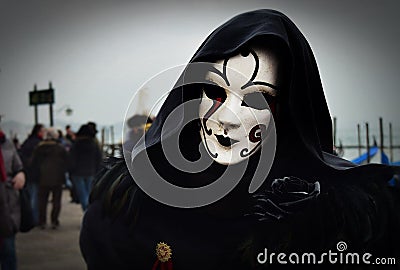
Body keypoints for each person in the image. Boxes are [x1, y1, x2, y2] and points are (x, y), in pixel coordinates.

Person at [80, 10, 400, 270]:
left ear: (286, 112)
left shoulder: (335, 214)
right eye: (215, 92)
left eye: (258, 98)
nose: (227, 117)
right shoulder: (132, 203)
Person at [31, 128, 68, 229]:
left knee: (42, 201)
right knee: (56, 201)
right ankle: (54, 221)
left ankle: (42, 221)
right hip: (58, 177)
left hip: (42, 178)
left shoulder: (39, 148)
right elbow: (66, 162)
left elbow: (33, 163)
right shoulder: (60, 148)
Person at [0, 129, 25, 270]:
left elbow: (18, 167)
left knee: (8, 252)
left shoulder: (6, 142)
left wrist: (21, 175)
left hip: (7, 208)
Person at [69, 124, 102, 212]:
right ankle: (89, 211)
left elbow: (72, 158)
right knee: (88, 193)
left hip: (77, 173)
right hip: (91, 172)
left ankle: (87, 211)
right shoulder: (93, 144)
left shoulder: (76, 144)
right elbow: (99, 158)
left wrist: (71, 170)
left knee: (82, 194)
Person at [19, 123, 45, 225]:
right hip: (36, 173)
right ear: (39, 132)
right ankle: (34, 218)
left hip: (28, 173)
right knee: (35, 197)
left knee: (30, 196)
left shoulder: (27, 141)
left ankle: (30, 217)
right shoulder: (38, 144)